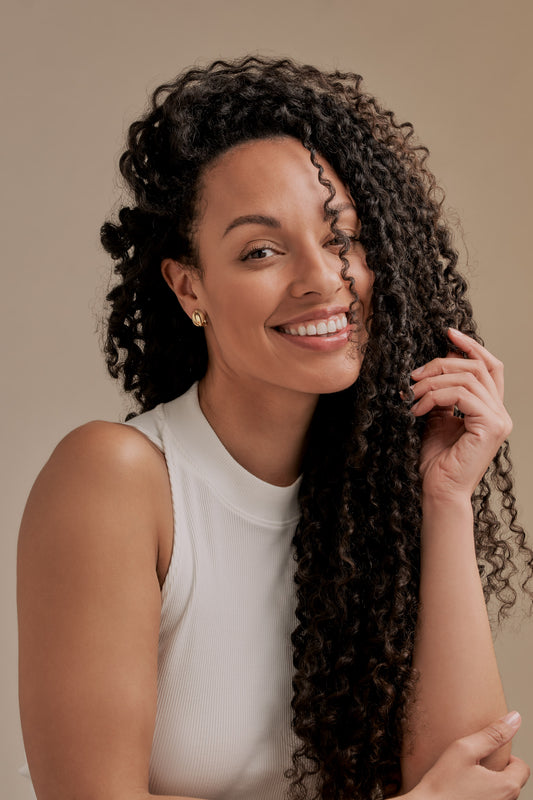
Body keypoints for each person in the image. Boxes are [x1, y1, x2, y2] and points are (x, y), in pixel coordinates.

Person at [17, 56, 532, 800]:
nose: (321, 278)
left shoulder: (372, 498)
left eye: (342, 238)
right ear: (188, 286)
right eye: (261, 250)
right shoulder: (117, 479)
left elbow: (473, 783)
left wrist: (446, 500)